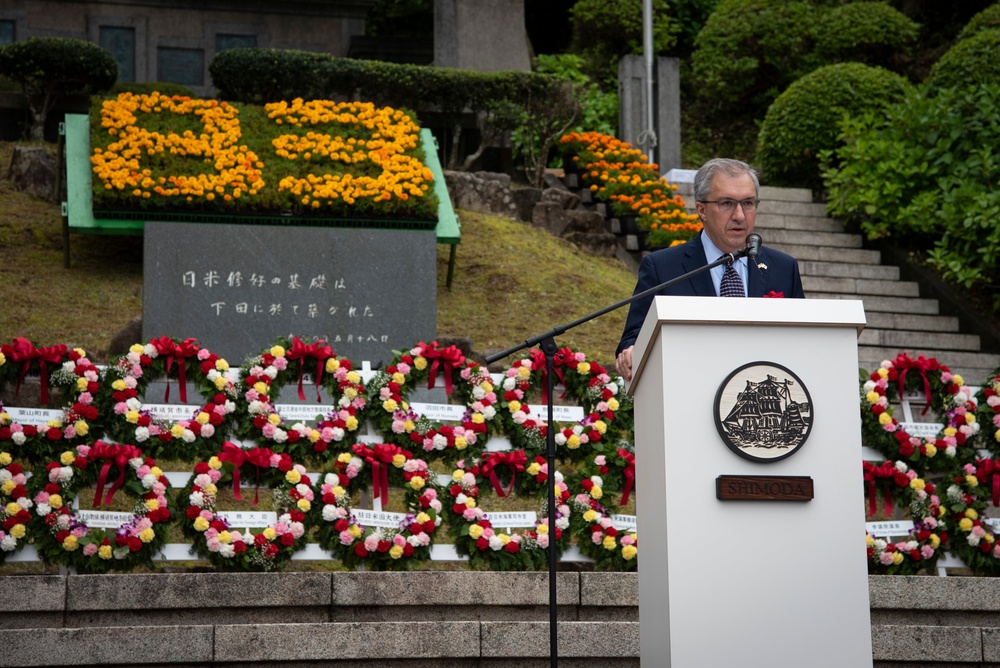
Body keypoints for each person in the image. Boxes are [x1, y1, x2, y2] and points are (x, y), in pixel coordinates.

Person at [614, 158, 805, 381]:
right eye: (726, 203)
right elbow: (634, 338)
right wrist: (629, 352)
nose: (739, 215)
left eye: (748, 203)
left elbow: (802, 338)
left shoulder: (783, 268)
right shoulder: (663, 267)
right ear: (701, 209)